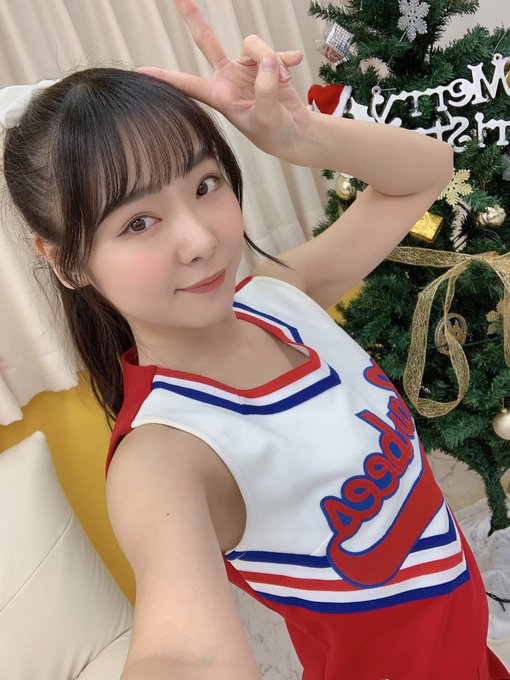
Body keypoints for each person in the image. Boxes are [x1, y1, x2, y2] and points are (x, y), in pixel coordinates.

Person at [1, 1, 508, 678]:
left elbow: (428, 171)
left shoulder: (278, 299)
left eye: (205, 184)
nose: (200, 239)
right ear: (66, 260)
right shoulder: (166, 455)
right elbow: (185, 653)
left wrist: (301, 135)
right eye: (138, 223)